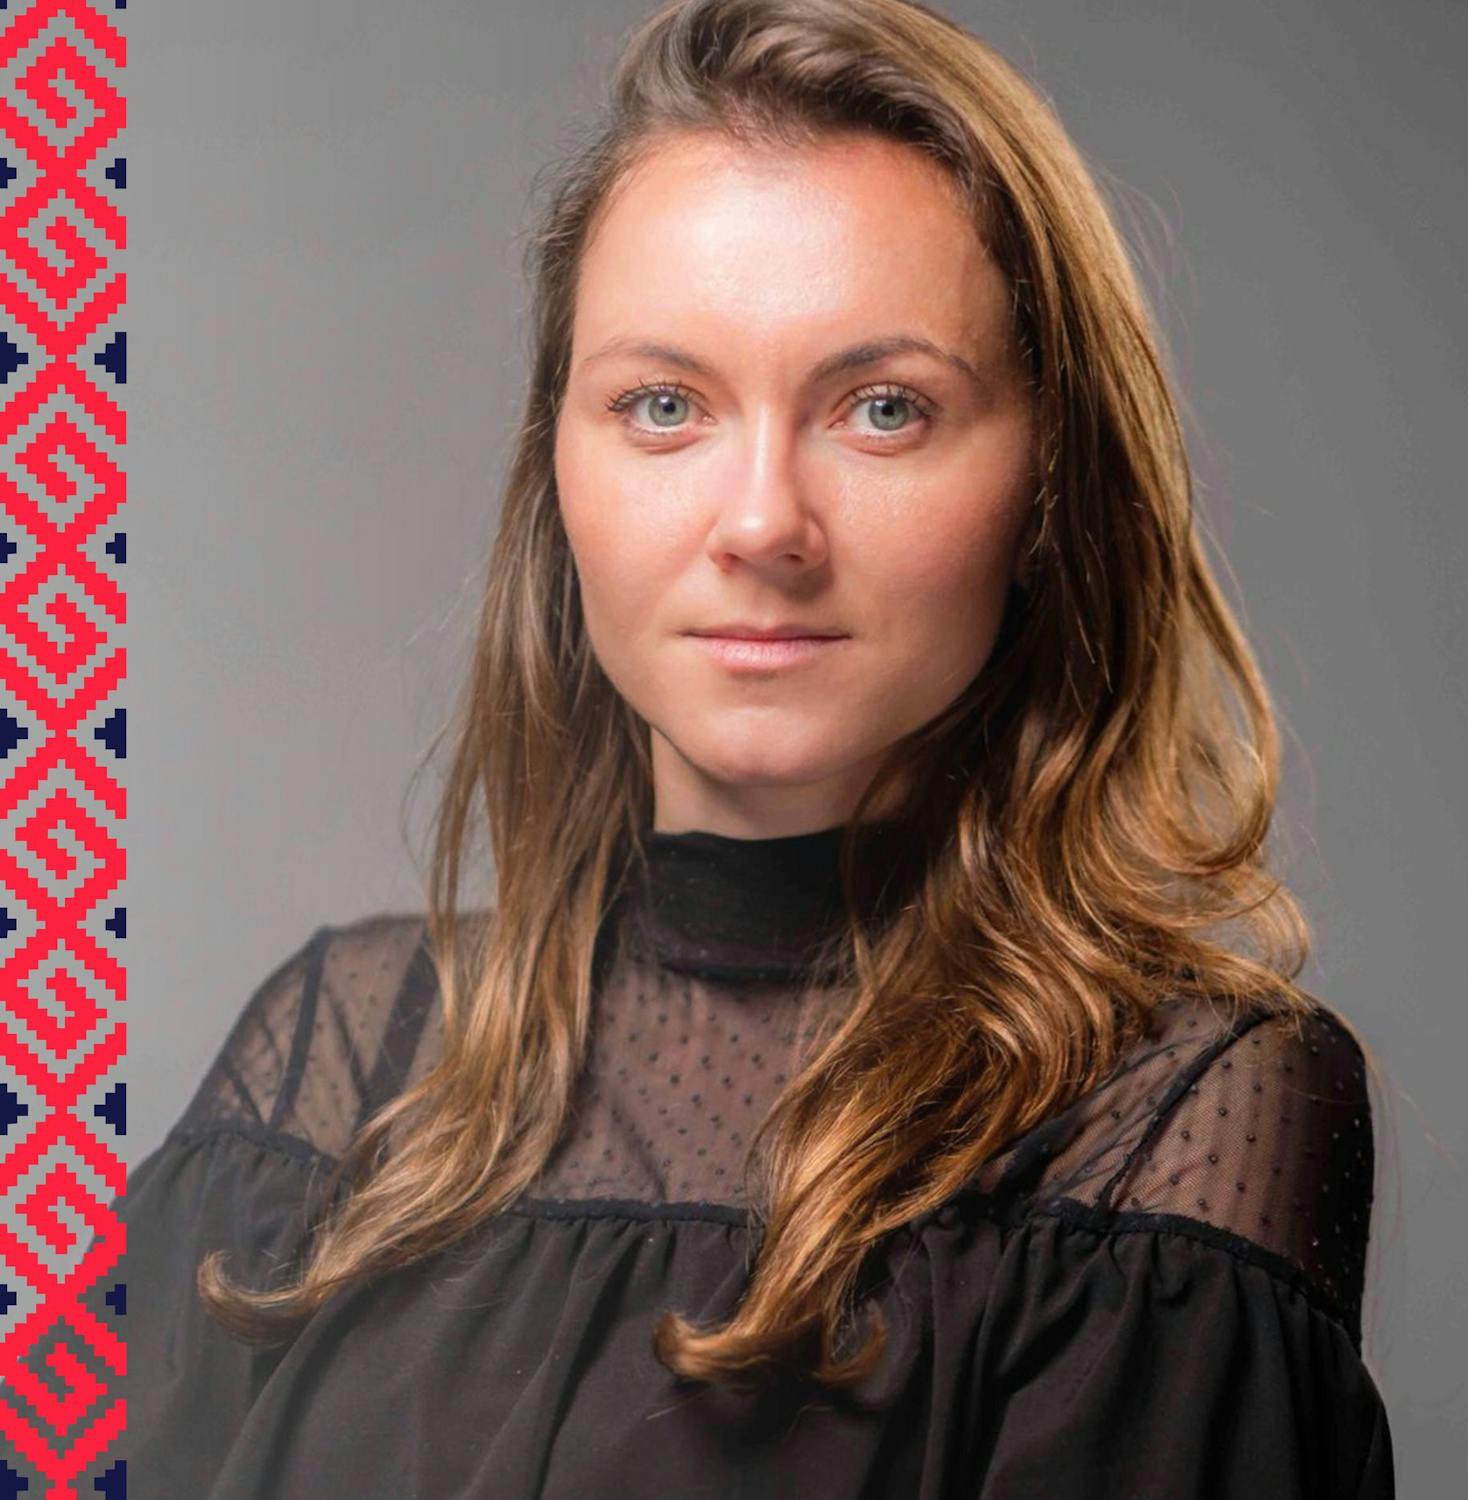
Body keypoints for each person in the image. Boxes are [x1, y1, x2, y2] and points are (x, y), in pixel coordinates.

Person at [117, 0, 1396, 1494]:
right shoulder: (339, 1063)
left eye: (884, 409)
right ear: (558, 467)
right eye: (664, 405)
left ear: (1049, 479)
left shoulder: (1177, 1118)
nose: (762, 524)